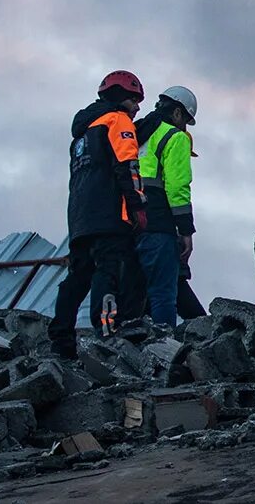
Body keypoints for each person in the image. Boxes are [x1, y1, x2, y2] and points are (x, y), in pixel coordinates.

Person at [50, 71, 149, 357]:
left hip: (80, 219)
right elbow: (127, 166)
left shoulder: (82, 133)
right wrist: (138, 206)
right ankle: (107, 333)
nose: (137, 107)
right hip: (110, 216)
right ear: (121, 97)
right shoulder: (118, 121)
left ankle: (61, 340)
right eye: (134, 100)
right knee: (110, 271)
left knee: (77, 277)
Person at [134, 86, 198, 327]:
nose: (185, 128)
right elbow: (177, 189)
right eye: (187, 121)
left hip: (128, 224)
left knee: (134, 295)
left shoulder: (135, 133)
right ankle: (164, 353)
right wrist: (186, 231)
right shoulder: (175, 137)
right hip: (158, 224)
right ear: (178, 114)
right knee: (163, 294)